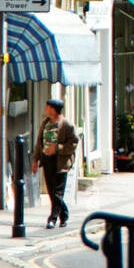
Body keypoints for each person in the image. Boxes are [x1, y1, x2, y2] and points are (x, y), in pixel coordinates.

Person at [36, 98, 78, 228]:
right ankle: (64, 214)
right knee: (51, 191)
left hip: (61, 162)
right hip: (47, 160)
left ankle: (52, 219)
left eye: (47, 107)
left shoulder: (66, 125)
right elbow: (39, 142)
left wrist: (58, 148)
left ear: (53, 110)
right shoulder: (45, 123)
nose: (45, 109)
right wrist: (35, 159)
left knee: (58, 192)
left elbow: (73, 143)